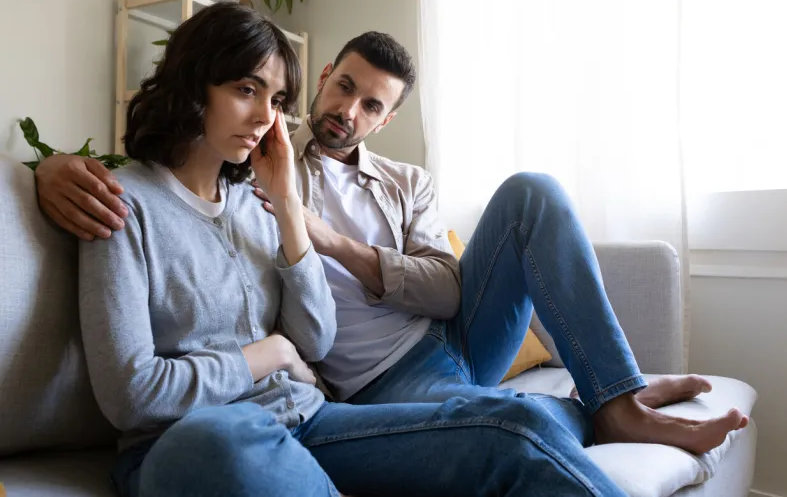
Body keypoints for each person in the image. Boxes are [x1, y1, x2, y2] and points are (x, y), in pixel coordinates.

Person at [38, 27, 746, 461]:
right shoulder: (265, 164)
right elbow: (162, 174)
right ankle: (597, 397)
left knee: (533, 191)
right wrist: (49, 168)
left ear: (388, 117)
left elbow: (450, 288)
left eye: (371, 103)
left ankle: (615, 396)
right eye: (343, 87)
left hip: (459, 338)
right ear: (321, 79)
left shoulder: (408, 182)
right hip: (384, 380)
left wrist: (329, 239)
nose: (348, 110)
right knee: (518, 420)